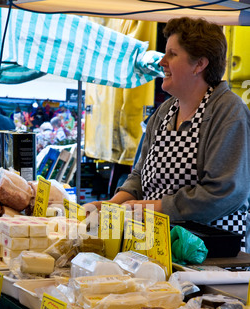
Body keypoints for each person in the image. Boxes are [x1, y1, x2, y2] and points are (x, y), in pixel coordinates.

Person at [87, 17, 250, 250]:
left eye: (172, 54)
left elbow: (223, 192)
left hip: (209, 255)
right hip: (156, 246)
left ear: (199, 64)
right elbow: (139, 176)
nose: (162, 61)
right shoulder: (165, 111)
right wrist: (109, 207)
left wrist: (145, 209)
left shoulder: (227, 111)